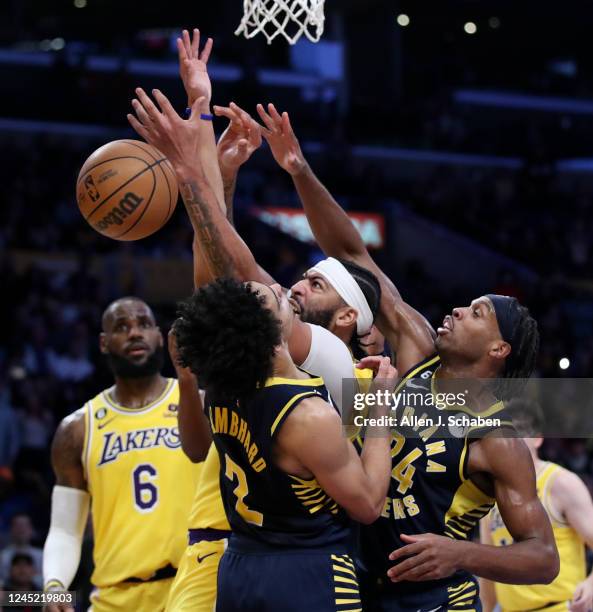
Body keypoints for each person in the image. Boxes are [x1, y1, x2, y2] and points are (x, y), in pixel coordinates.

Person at [244, 102, 559, 610]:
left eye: (477, 312)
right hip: (360, 584)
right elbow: (354, 258)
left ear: (499, 349)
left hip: (434, 598)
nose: (458, 309)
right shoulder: (417, 353)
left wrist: (461, 554)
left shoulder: (498, 437)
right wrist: (299, 169)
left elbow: (544, 558)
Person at [127, 29, 380, 612]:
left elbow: (232, 269)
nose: (291, 286)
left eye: (314, 285)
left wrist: (197, 157)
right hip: (227, 548)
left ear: (347, 317)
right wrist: (218, 165)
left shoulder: (337, 368)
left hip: (283, 558)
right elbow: (221, 281)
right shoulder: (256, 357)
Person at [174, 276, 395, 611]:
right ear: (269, 333)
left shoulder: (221, 391)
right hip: (307, 571)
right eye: (275, 298)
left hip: (239, 567)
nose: (282, 288)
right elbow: (367, 504)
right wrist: (382, 407)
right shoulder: (308, 416)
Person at [42, 297, 201, 612]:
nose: (134, 334)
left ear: (159, 335)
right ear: (104, 343)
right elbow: (64, 529)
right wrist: (54, 586)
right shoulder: (77, 429)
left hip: (193, 587)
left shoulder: (198, 405)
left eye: (144, 324)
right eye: (122, 327)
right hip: (114, 597)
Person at [480, 400, 593, 612]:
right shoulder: (489, 494)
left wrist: (591, 584)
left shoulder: (561, 482)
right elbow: (488, 572)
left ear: (537, 439)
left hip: (561, 607)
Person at [0, 513, 43, 585]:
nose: (21, 529)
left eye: (25, 525)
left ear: (31, 529)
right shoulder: (2, 556)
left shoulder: (41, 556)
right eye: (17, 526)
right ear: (11, 529)